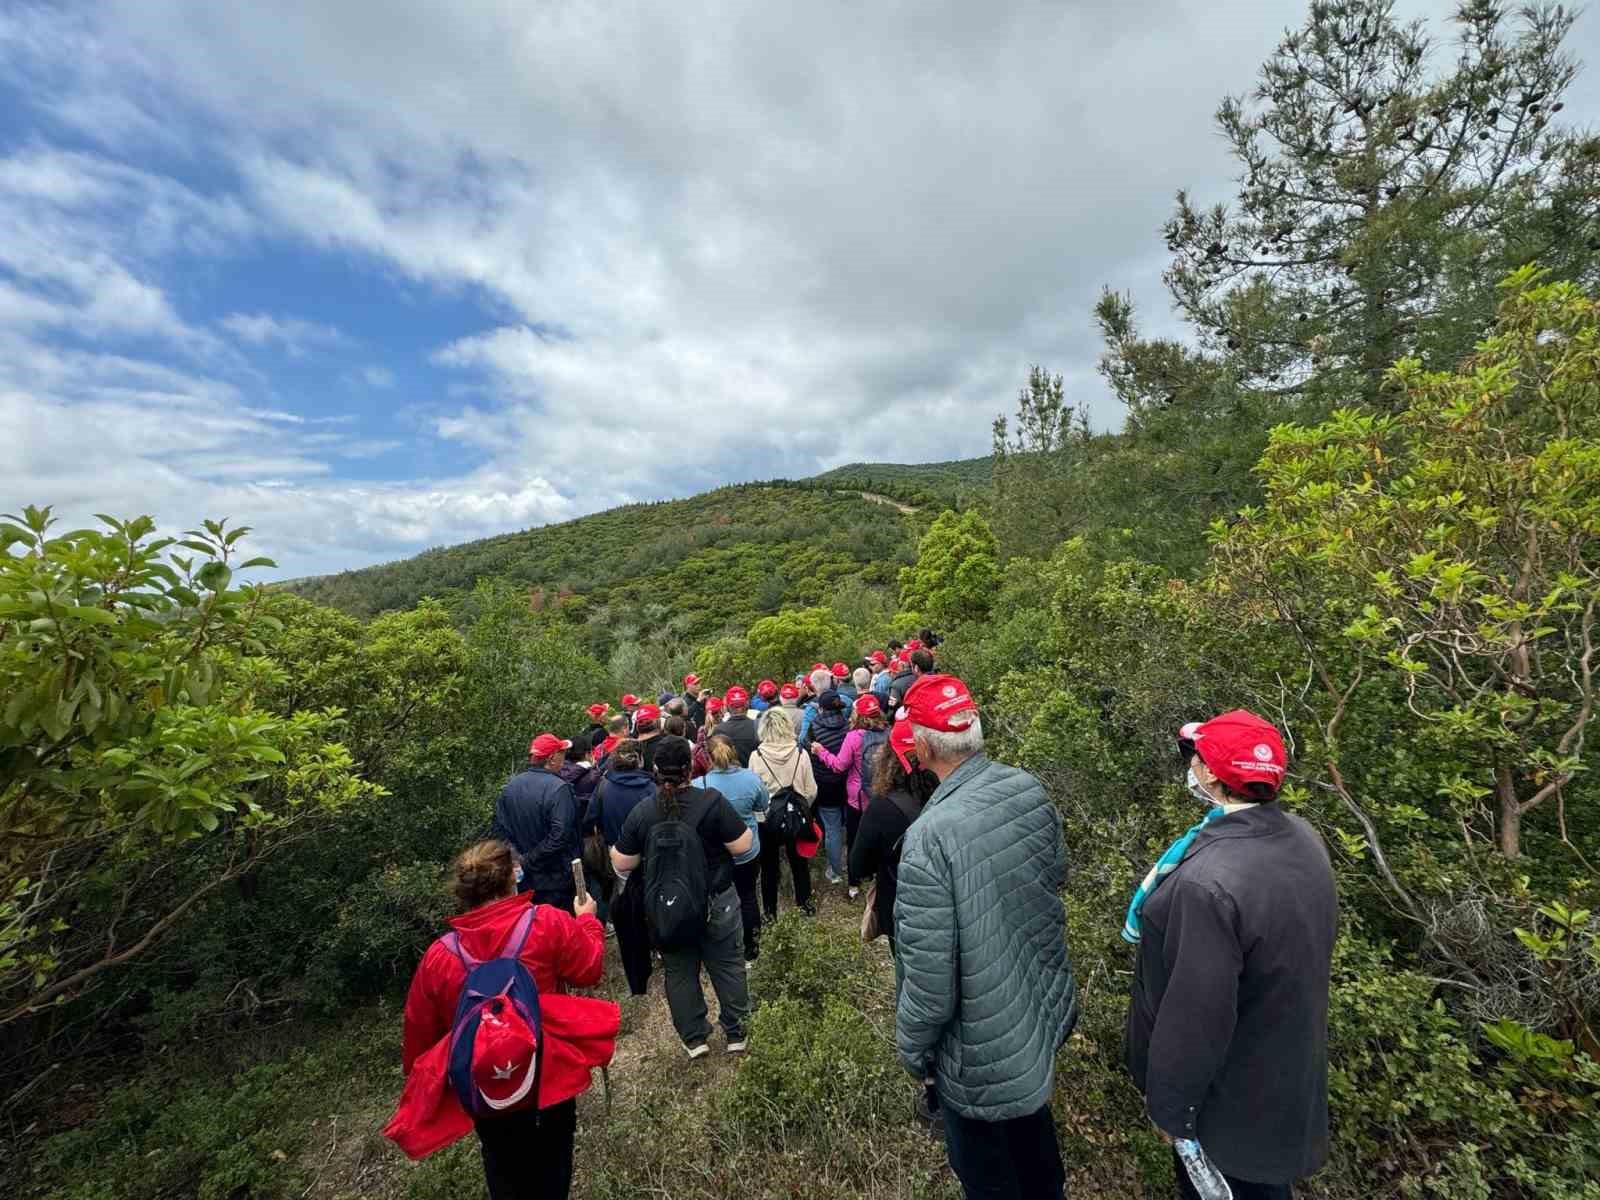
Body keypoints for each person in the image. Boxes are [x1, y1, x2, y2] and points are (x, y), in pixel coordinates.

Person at [1124, 711, 1336, 1200]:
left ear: (1211, 774)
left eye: (1194, 756)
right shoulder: (1303, 839)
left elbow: (1196, 1014)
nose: (1191, 765)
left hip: (1226, 1104)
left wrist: (1172, 1110)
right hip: (1283, 1074)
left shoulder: (1207, 884)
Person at [895, 675, 1077, 1200]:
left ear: (923, 748)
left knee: (989, 1177)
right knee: (1038, 1160)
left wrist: (913, 1050)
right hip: (1034, 1006)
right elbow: (1055, 874)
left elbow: (930, 981)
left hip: (976, 1050)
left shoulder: (928, 837)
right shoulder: (1027, 787)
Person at [392, 839, 616, 1200]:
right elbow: (588, 969)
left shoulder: (440, 957)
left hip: (486, 1086)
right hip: (547, 1074)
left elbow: (421, 1032)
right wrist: (587, 921)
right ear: (512, 877)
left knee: (502, 1165)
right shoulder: (546, 922)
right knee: (554, 1166)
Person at [611, 737, 752, 1058]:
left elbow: (622, 862)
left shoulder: (644, 811)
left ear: (655, 770)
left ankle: (694, 1038)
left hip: (667, 907)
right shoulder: (712, 802)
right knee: (727, 965)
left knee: (679, 969)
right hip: (716, 900)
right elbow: (742, 846)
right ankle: (736, 1032)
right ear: (690, 768)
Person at [582, 738, 656, 986]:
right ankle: (655, 943)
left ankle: (635, 950)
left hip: (617, 852)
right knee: (650, 895)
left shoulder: (604, 787)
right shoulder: (650, 787)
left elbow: (590, 819)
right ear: (639, 761)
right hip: (648, 851)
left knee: (625, 900)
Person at [692, 734, 770, 965]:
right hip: (747, 851)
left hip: (716, 855)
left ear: (708, 757)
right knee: (748, 897)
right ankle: (752, 949)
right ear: (733, 751)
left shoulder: (700, 785)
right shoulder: (751, 779)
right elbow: (762, 805)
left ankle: (721, 948)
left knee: (716, 900)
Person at [810, 693, 889, 900]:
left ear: (858, 715)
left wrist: (821, 752)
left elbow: (839, 766)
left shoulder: (854, 737)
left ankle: (854, 884)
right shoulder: (888, 732)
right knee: (878, 837)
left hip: (858, 797)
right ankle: (874, 875)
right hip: (882, 793)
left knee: (854, 841)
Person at [492, 733, 581, 914]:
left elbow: (499, 831)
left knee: (532, 923)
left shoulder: (510, 787)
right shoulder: (559, 789)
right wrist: (528, 860)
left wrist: (517, 860)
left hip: (525, 879)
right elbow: (560, 835)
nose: (564, 758)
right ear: (551, 759)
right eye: (562, 753)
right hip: (556, 878)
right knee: (558, 924)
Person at [750, 705, 817, 919]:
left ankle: (770, 913)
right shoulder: (800, 753)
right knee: (799, 863)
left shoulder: (756, 756)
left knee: (769, 867)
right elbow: (811, 790)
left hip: (767, 818)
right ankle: (805, 905)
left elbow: (754, 792)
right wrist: (802, 806)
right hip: (795, 814)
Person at [805, 688, 851, 885]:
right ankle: (852, 863)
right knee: (849, 824)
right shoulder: (848, 725)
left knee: (832, 828)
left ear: (821, 708)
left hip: (825, 785)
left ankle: (836, 871)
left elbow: (807, 748)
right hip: (847, 782)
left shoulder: (814, 727)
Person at [717, 686, 760, 766]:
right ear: (747, 704)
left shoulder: (719, 730)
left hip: (730, 773)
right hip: (755, 772)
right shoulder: (758, 727)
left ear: (727, 706)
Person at [797, 667, 834, 744]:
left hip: (818, 746)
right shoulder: (837, 699)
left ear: (807, 688)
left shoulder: (810, 707)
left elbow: (803, 738)